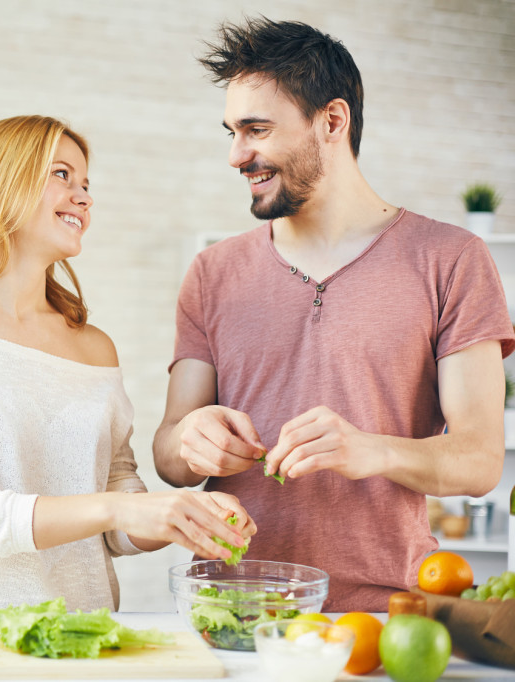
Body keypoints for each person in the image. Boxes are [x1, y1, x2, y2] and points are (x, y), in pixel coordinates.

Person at [152, 17, 515, 612]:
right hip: (229, 611)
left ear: (332, 121)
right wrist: (190, 444)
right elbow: (169, 458)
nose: (236, 154)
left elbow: (478, 459)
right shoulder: (212, 272)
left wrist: (370, 449)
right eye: (231, 131)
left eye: (257, 129)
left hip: (384, 616)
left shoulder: (450, 259)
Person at [0, 115, 255, 611]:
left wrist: (185, 514)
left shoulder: (94, 349)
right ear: (0, 185)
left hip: (80, 640)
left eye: (85, 184)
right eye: (61, 175)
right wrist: (117, 508)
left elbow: (116, 521)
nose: (83, 196)